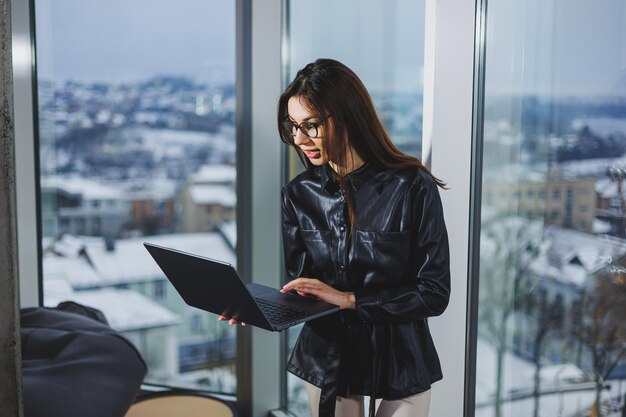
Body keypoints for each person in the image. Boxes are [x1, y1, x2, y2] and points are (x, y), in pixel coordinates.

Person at [222, 58, 450, 417]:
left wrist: (349, 299)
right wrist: (258, 308)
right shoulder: (297, 195)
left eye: (310, 126)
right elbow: (303, 288)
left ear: (346, 116)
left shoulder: (411, 186)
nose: (298, 139)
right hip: (328, 356)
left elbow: (433, 294)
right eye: (293, 126)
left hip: (401, 358)